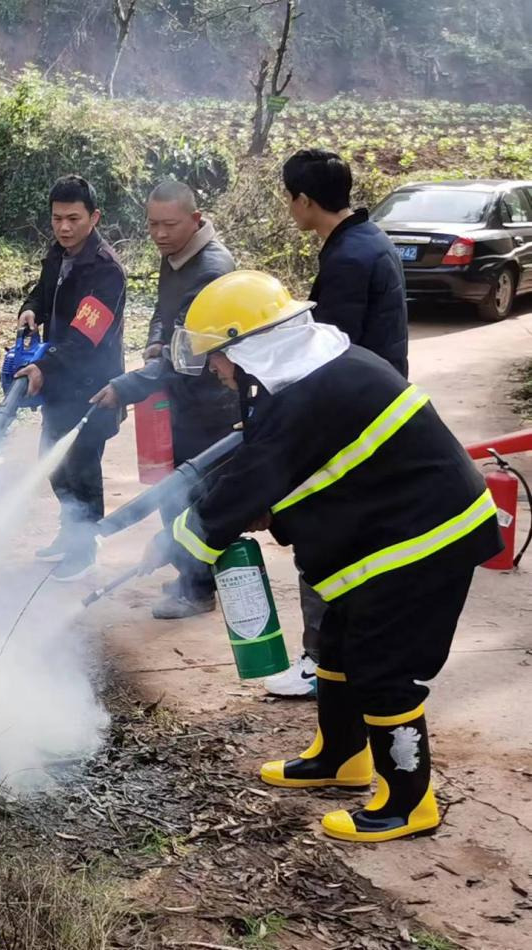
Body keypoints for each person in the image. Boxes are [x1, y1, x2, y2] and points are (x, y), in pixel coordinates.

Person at [141, 269, 500, 843]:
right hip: (393, 523)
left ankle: (408, 803)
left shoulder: (306, 395)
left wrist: (176, 545)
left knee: (383, 667)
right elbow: (300, 471)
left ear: (249, 346)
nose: (214, 369)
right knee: (334, 641)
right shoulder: (319, 371)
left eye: (217, 356)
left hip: (428, 536)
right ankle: (342, 757)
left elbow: (245, 487)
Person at [267, 148, 411, 698]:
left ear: (305, 200)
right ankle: (348, 654)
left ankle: (320, 659)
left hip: (354, 420)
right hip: (379, 407)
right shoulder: (368, 239)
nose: (289, 208)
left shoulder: (348, 258)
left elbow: (333, 353)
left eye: (290, 198)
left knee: (323, 534)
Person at [87, 180, 239, 619]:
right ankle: (189, 575)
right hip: (180, 399)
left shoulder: (211, 269)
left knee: (196, 499)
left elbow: (190, 354)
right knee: (174, 495)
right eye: (152, 224)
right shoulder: (176, 254)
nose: (158, 234)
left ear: (196, 219)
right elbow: (163, 313)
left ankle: (198, 589)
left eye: (169, 224)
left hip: (209, 405)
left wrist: (125, 386)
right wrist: (156, 340)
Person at [15, 175, 128, 582]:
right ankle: (69, 532)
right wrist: (31, 309)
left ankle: (84, 549)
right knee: (55, 464)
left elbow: (84, 337)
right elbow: (42, 293)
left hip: (93, 388)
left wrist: (43, 368)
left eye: (73, 219)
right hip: (60, 383)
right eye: (57, 218)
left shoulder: (106, 271)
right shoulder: (58, 254)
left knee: (82, 467)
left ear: (94, 217)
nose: (64, 227)